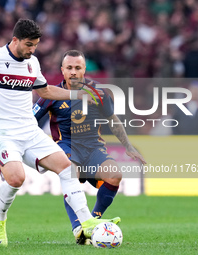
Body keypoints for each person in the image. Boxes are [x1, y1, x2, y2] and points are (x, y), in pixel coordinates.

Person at [0, 19, 113, 247]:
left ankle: (87, 221)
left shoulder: (33, 63)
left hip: (29, 131)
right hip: (2, 134)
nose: (32, 50)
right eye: (29, 45)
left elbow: (46, 90)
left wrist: (77, 95)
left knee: (69, 169)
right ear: (15, 40)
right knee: (16, 178)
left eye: (36, 45)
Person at [33, 50, 146, 245]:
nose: (74, 72)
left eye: (78, 67)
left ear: (85, 69)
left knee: (114, 175)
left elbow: (112, 119)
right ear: (62, 70)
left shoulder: (99, 92)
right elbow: (30, 121)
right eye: (69, 68)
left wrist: (128, 145)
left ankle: (92, 221)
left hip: (94, 147)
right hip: (67, 146)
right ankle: (78, 228)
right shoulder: (51, 94)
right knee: (71, 174)